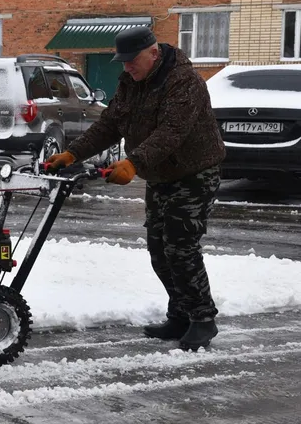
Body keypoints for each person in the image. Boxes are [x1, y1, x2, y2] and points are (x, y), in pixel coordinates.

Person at [45, 26, 226, 351]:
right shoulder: (131, 82)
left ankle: (203, 318)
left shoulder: (185, 82)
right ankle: (180, 315)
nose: (126, 67)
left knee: (181, 248)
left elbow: (171, 133)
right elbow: (110, 124)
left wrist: (133, 163)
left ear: (154, 53)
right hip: (159, 175)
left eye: (132, 61)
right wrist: (73, 153)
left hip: (194, 173)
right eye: (123, 61)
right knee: (159, 250)